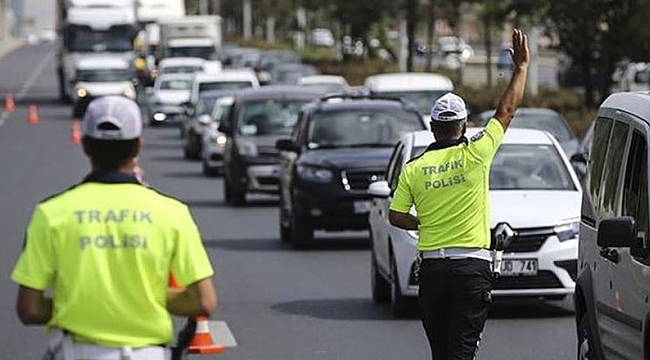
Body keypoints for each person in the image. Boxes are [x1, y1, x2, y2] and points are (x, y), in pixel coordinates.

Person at [11, 96, 217, 360]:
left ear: (85, 145)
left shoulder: (51, 214)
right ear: (138, 146)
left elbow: (29, 309)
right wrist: (142, 298)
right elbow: (204, 302)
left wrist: (79, 304)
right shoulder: (172, 213)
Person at [388, 28, 530, 359]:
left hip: (433, 273)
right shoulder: (478, 152)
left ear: (433, 127)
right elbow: (506, 110)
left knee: (442, 353)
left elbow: (395, 216)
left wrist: (421, 223)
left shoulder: (414, 168)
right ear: (464, 126)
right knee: (461, 353)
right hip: (471, 270)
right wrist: (521, 68)